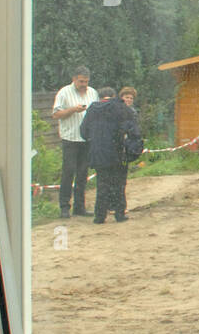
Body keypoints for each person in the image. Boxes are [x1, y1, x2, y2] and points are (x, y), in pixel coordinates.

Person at [79, 86, 143, 224]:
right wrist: (132, 150)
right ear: (114, 96)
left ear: (100, 97)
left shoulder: (92, 109)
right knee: (119, 183)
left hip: (98, 153)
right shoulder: (121, 108)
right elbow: (134, 131)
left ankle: (99, 216)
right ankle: (119, 214)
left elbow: (83, 132)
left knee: (102, 184)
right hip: (117, 151)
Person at [52, 66, 99, 219]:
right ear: (74, 79)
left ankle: (80, 207)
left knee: (82, 173)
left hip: (87, 139)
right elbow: (56, 114)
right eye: (81, 81)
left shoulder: (92, 92)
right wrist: (73, 110)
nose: (83, 84)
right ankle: (64, 207)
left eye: (86, 81)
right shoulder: (64, 93)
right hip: (70, 139)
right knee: (68, 172)